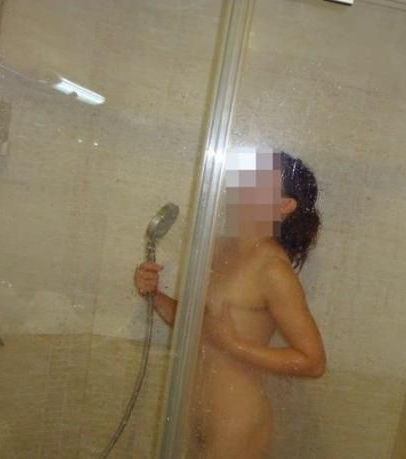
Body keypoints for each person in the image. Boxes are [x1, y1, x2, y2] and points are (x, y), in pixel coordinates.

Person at [134, 151, 326, 458]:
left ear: (284, 205)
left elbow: (313, 362)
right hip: (198, 410)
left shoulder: (272, 269)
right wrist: (154, 294)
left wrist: (233, 344)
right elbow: (200, 324)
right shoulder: (220, 248)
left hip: (237, 421)